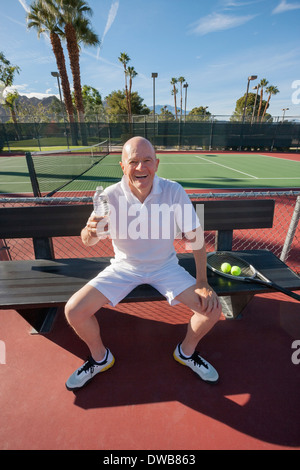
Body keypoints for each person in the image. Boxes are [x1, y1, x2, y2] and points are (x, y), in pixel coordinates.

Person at [65, 136, 222, 391]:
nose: (141, 168)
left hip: (166, 267)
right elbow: (88, 240)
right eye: (134, 161)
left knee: (213, 309)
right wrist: (91, 232)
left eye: (147, 160)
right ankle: (99, 358)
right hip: (123, 267)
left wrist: (203, 282)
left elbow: (195, 237)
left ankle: (186, 352)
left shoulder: (173, 191)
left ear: (157, 164)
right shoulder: (109, 196)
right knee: (74, 311)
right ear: (122, 166)